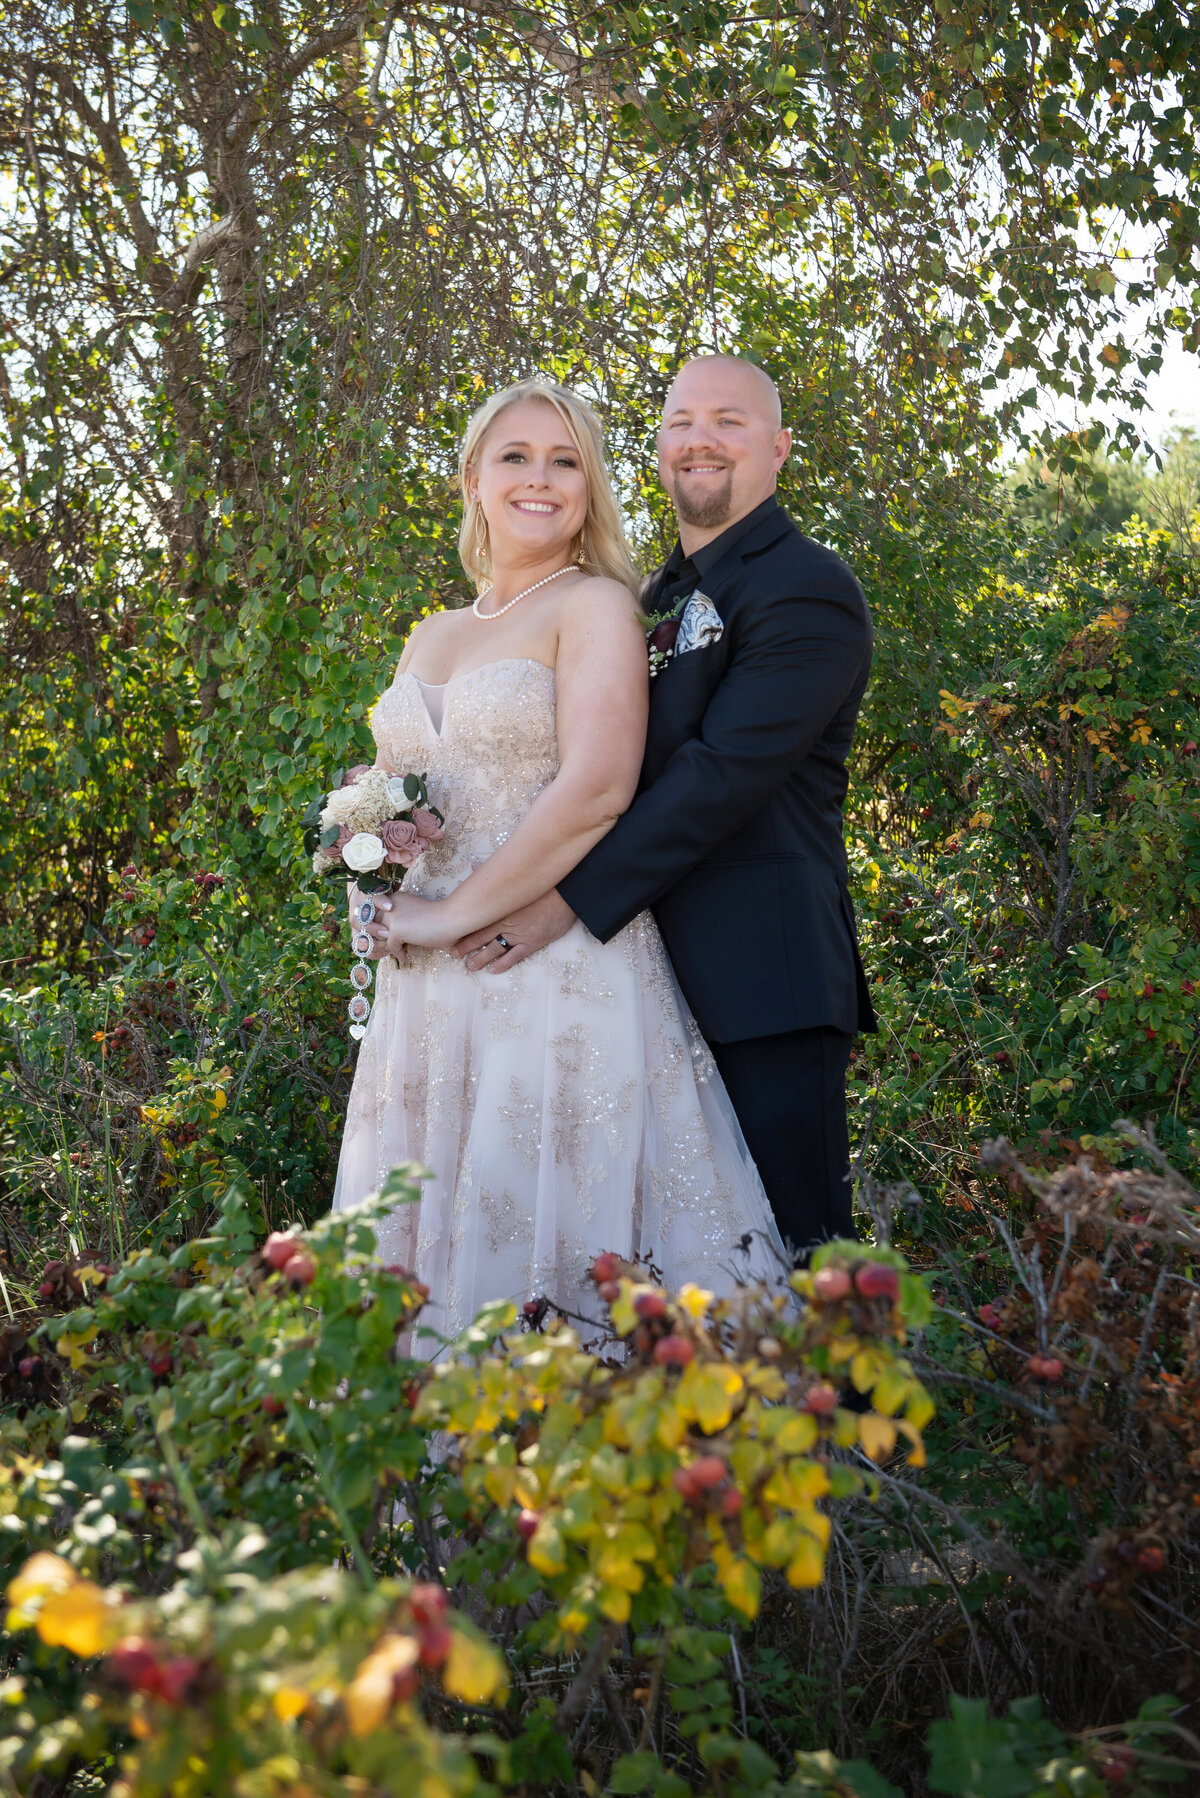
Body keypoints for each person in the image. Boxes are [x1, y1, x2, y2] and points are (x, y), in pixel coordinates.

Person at [333, 377, 784, 1341]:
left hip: (545, 959)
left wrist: (454, 914)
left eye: (566, 460)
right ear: (472, 479)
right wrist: (367, 857)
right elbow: (395, 779)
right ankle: (430, 1480)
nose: (541, 478)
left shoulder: (595, 607)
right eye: (517, 456)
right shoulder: (433, 632)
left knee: (541, 1218)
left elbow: (598, 789)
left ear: (591, 488)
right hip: (423, 977)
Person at [452, 356, 876, 1255]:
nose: (701, 440)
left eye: (730, 420)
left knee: (799, 1268)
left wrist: (558, 904)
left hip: (763, 979)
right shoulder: (650, 597)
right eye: (683, 421)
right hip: (638, 981)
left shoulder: (808, 588)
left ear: (779, 446)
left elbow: (717, 778)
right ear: (658, 447)